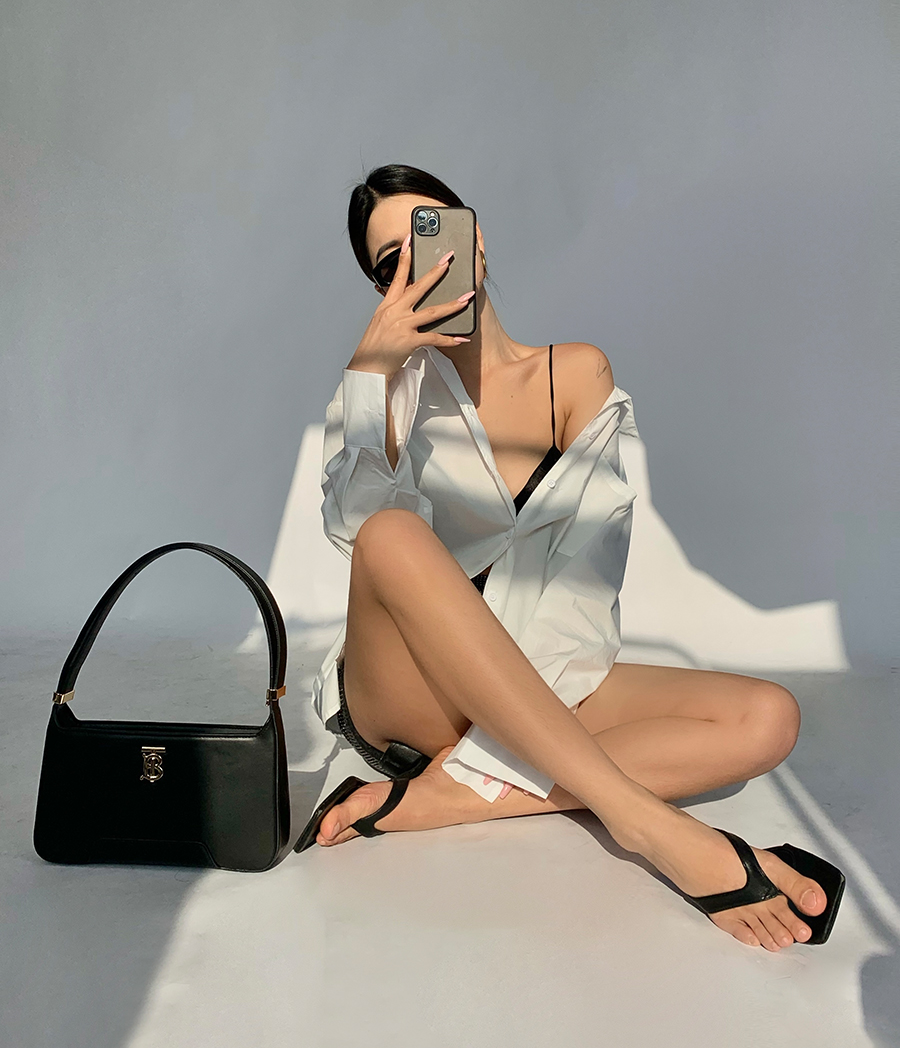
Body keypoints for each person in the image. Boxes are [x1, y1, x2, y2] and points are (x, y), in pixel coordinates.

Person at [296, 163, 843, 953]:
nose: (419, 267)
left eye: (430, 235)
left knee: (768, 717)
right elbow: (354, 533)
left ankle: (447, 798)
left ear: (475, 240)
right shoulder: (387, 388)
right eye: (392, 264)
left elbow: (584, 585)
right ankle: (650, 826)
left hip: (537, 668)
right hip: (406, 691)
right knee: (390, 534)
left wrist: (498, 744)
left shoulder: (576, 373)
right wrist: (370, 373)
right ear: (382, 290)